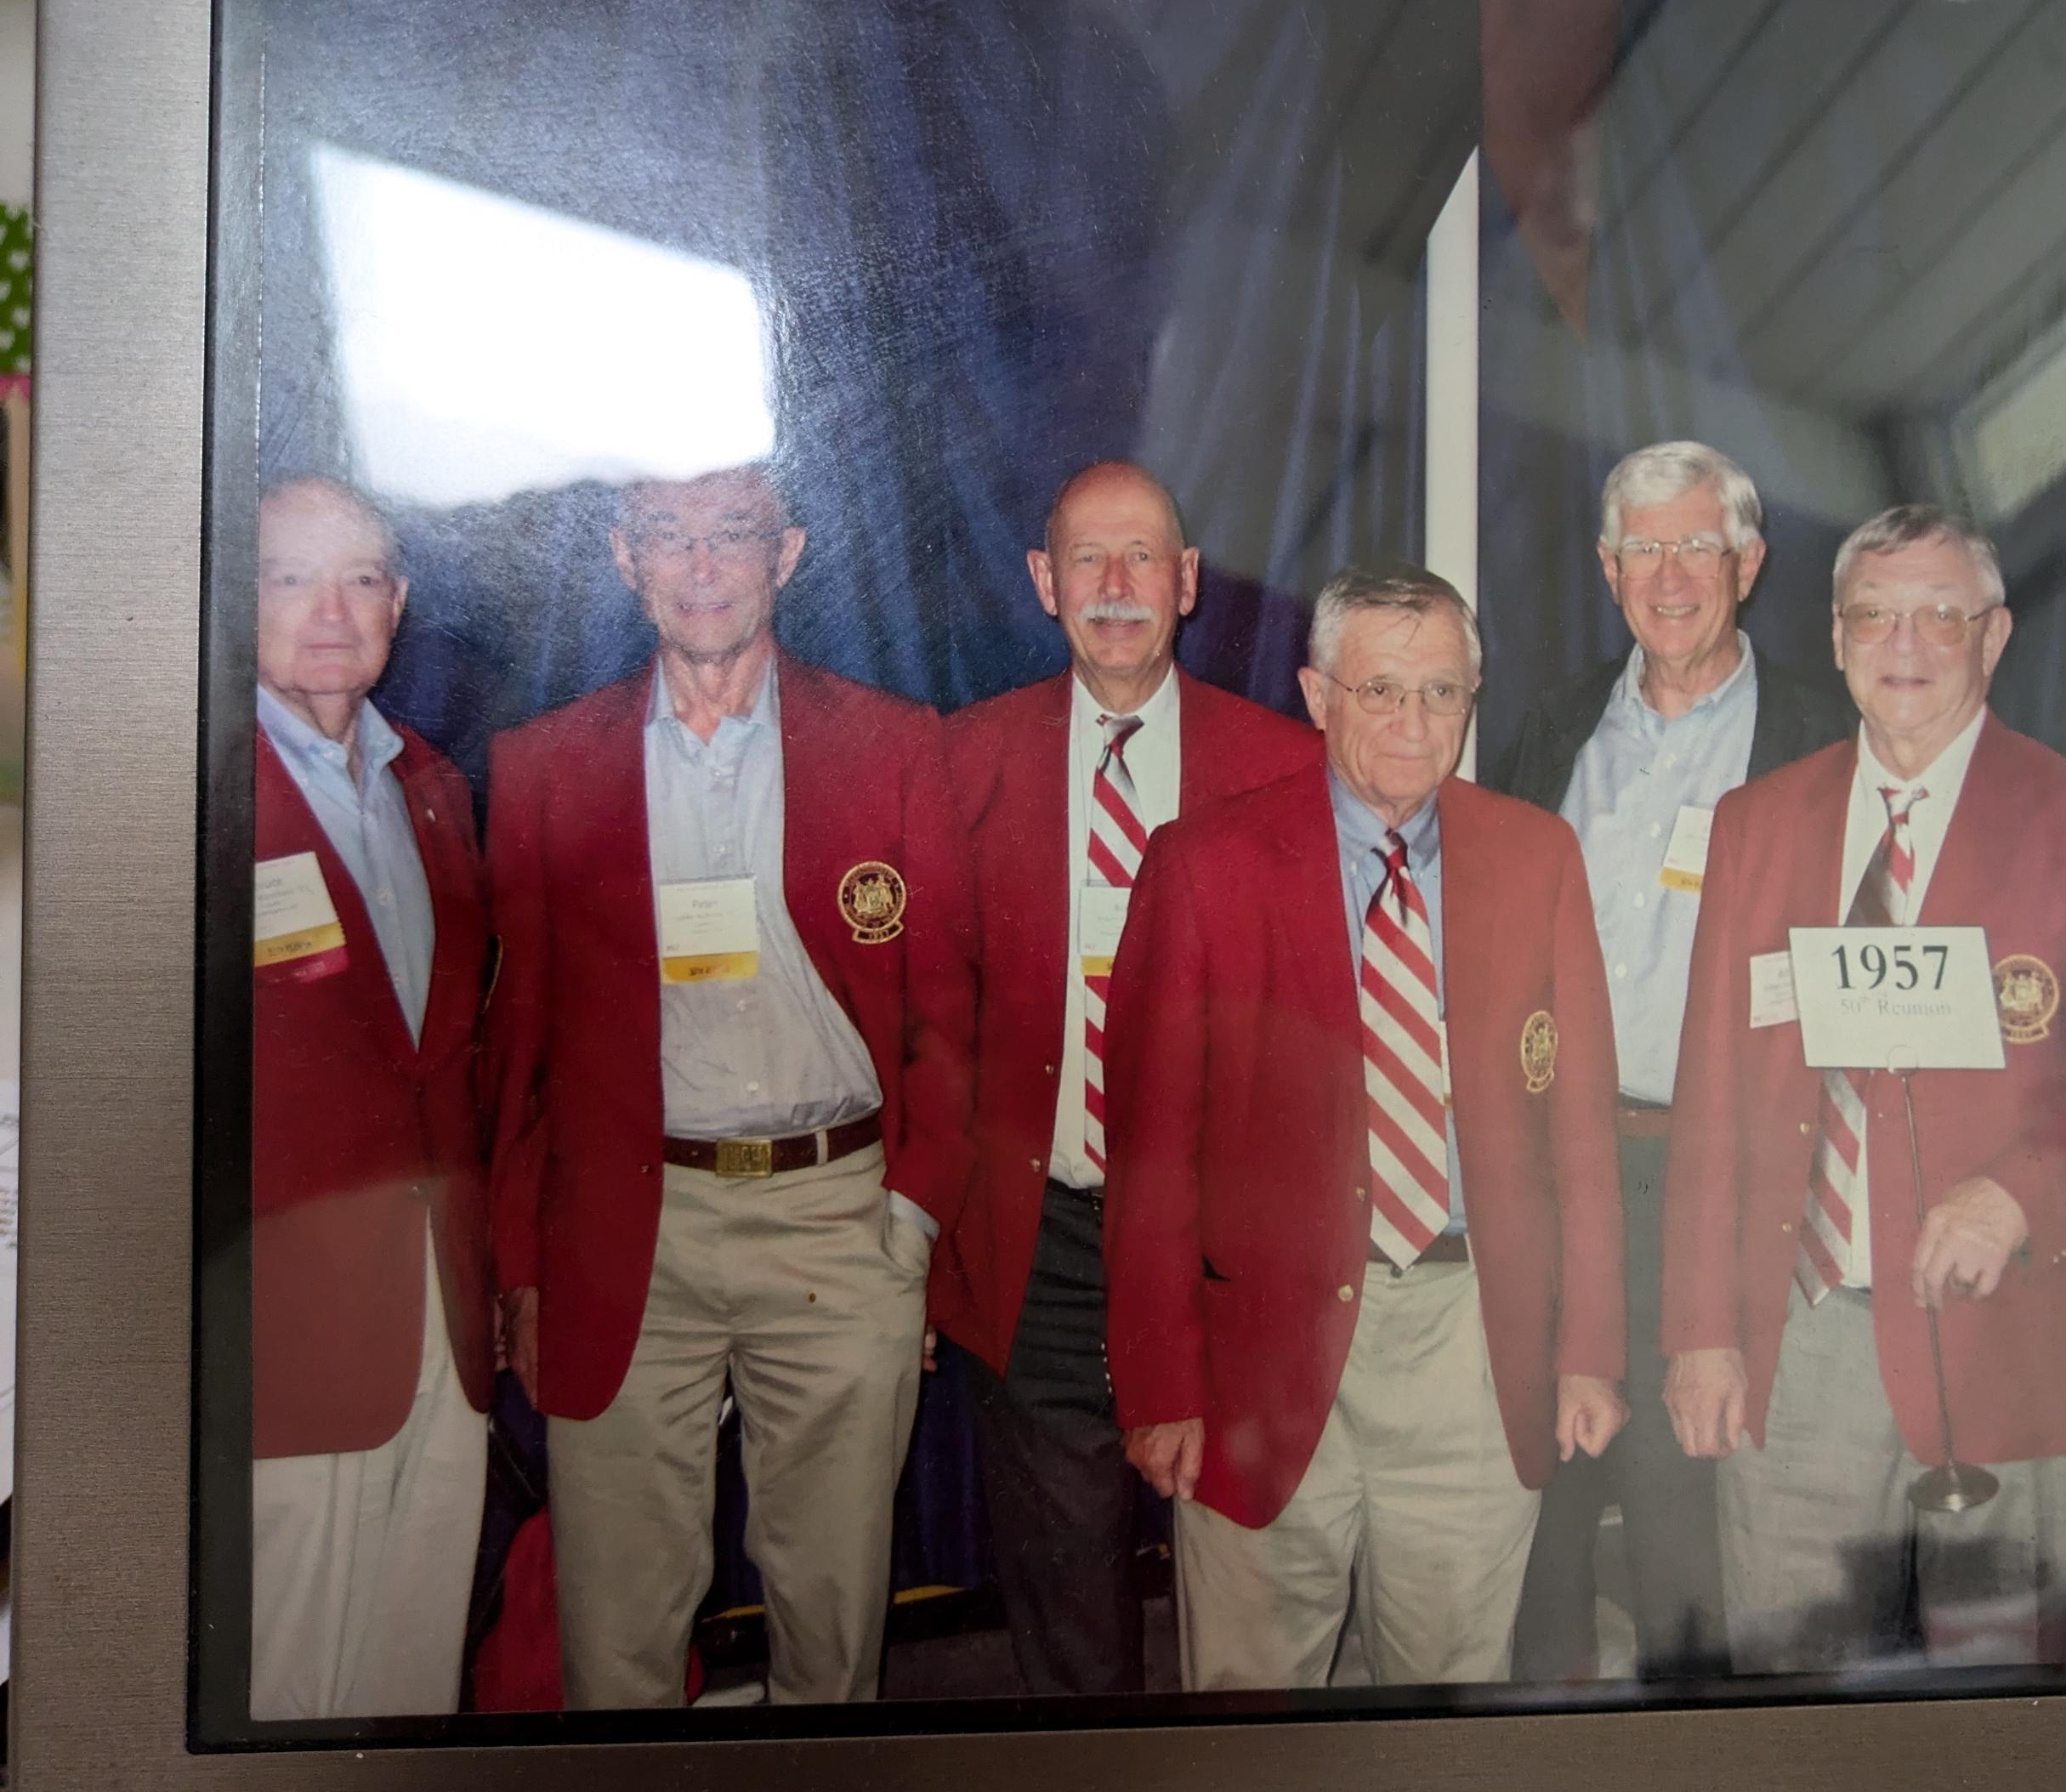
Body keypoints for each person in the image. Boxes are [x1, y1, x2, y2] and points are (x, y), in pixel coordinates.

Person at [484, 462, 973, 1708]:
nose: (702, 563)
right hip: (630, 1234)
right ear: (623, 557)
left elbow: (949, 1018)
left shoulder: (896, 747)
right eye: (668, 534)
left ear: (789, 553)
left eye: (733, 534)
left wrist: (908, 1223)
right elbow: (519, 1045)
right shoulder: (544, 767)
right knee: (619, 1628)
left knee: (832, 1617)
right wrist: (524, 1268)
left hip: (835, 1223)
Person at [1103, 563, 1628, 1690]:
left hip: (1471, 1347)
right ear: (1316, 693)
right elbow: (1151, 1163)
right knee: (1253, 1706)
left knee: (1446, 1711)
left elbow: (1579, 1135)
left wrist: (1587, 1351)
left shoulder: (1536, 858)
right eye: (1381, 690)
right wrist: (1160, 1391)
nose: (1413, 721)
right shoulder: (1204, 866)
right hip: (1263, 1359)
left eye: (1442, 693)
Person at [1660, 506, 2066, 1672]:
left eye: (1942, 614)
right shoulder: (1756, 824)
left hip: (2016, 1344)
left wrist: (2020, 1198)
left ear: (1995, 637)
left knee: (2012, 1719)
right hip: (1802, 1342)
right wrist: (1698, 1334)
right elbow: (1712, 1100)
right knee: (1794, 1695)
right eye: (1876, 614)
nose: (1906, 643)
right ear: (1835, 639)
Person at [934, 462, 1320, 1694]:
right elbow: (927, 1024)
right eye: (1086, 561)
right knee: (1066, 1609)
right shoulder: (961, 762)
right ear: (1044, 583)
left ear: (1189, 582)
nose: (1115, 587)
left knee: (1247, 1596)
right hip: (1038, 1239)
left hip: (1225, 1250)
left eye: (1143, 557)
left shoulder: (1285, 767)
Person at [1496, 440, 1851, 1682]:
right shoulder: (1551, 728)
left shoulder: (1825, 739)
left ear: (1748, 564)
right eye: (1643, 548)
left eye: (1696, 543)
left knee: (1681, 1520)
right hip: (1558, 1175)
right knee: (1531, 1493)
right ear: (1607, 570)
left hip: (1713, 1183)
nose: (1671, 573)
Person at [248, 475, 494, 1719]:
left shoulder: (434, 789)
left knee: (410, 1699)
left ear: (398, 602)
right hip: (281, 1339)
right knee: (287, 1699)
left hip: (441, 1328)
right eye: (291, 577)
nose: (330, 613)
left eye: (359, 580)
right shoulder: (188, 790)